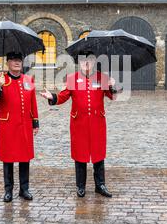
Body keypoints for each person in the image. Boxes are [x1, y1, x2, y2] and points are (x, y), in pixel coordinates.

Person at [40, 51, 119, 198]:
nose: (86, 63)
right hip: (79, 123)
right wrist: (52, 97)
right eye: (83, 60)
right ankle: (80, 186)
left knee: (98, 153)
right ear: (79, 62)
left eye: (90, 59)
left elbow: (113, 97)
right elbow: (63, 96)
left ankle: (100, 185)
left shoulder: (102, 78)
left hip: (97, 122)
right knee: (80, 154)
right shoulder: (72, 79)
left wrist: (113, 86)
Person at [0, 52, 39, 202]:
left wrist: (35, 122)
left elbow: (32, 103)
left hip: (24, 125)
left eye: (19, 60)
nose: (17, 62)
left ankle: (24, 189)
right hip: (8, 126)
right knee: (8, 159)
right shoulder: (0, 80)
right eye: (13, 60)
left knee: (25, 158)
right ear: (7, 62)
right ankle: (8, 190)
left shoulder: (28, 80)